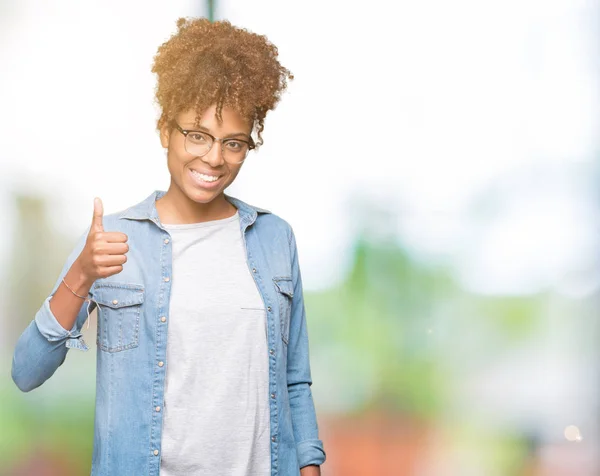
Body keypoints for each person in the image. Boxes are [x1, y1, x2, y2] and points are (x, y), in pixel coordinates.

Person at [11, 17, 326, 476]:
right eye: (197, 135)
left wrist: (310, 467)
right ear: (165, 131)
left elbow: (295, 382)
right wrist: (81, 276)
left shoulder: (275, 239)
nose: (214, 158)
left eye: (233, 143)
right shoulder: (115, 240)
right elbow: (26, 372)